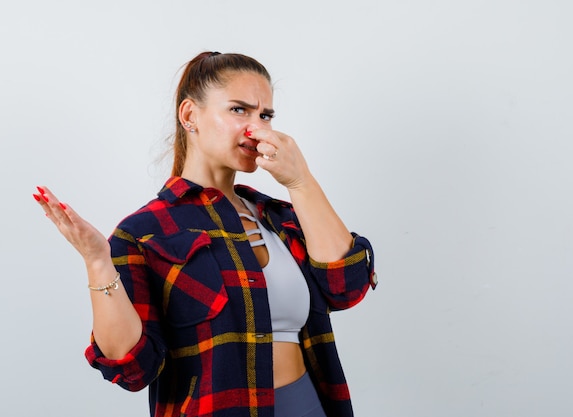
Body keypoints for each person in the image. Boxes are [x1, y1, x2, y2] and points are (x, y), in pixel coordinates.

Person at [33, 51, 377, 417]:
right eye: (238, 110)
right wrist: (98, 263)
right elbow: (132, 369)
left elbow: (346, 286)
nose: (256, 129)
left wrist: (300, 181)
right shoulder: (143, 234)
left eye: (265, 115)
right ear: (189, 115)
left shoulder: (282, 216)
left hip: (309, 405)